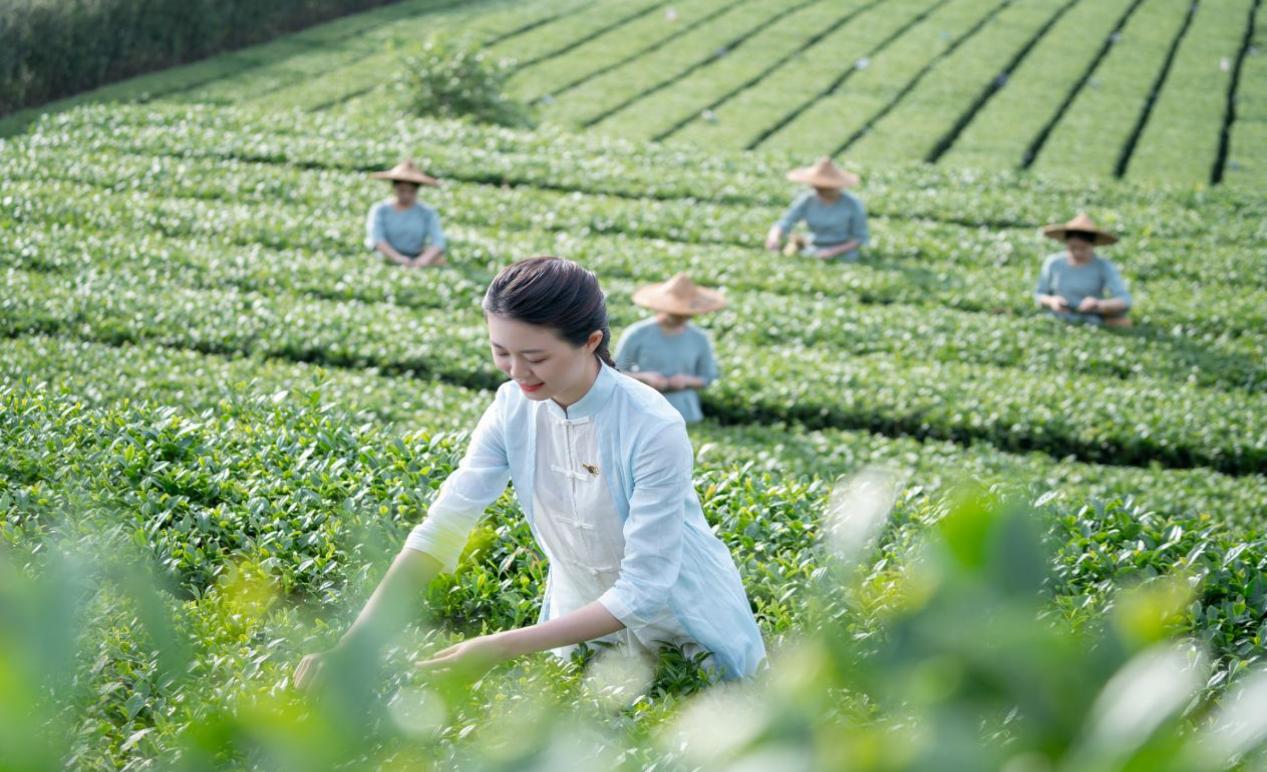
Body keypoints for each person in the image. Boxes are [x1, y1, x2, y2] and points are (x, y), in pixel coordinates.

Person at [294, 257, 765, 688]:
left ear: (591, 341)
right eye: (502, 352)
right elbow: (442, 527)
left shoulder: (651, 425)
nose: (517, 372)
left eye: (536, 357)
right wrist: (354, 647)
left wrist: (497, 646)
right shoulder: (510, 407)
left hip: (686, 618)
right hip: (581, 619)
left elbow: (643, 590)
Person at [615, 273, 723, 424]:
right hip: (642, 412)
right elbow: (616, 373)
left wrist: (686, 381)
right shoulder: (637, 333)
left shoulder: (699, 338)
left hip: (686, 415)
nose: (681, 317)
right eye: (676, 313)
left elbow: (708, 376)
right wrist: (645, 377)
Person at [1034, 213, 1132, 327]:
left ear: (1092, 245)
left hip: (1091, 321)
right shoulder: (1053, 263)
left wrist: (1099, 304)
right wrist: (1052, 301)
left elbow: (1125, 300)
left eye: (1083, 248)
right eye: (1073, 248)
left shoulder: (1104, 266)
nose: (1077, 253)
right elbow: (1040, 294)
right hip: (1057, 319)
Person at [765, 156, 869, 262]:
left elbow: (859, 238)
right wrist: (773, 237)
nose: (821, 191)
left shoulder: (852, 204)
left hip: (843, 252)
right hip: (814, 248)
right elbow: (785, 222)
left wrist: (832, 251)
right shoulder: (808, 200)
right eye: (819, 188)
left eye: (826, 188)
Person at [364, 159, 447, 267]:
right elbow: (377, 239)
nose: (406, 195)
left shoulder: (427, 213)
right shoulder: (380, 209)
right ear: (394, 188)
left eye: (411, 191)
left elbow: (438, 242)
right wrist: (397, 258)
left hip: (416, 257)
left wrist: (423, 260)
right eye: (402, 190)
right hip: (385, 259)